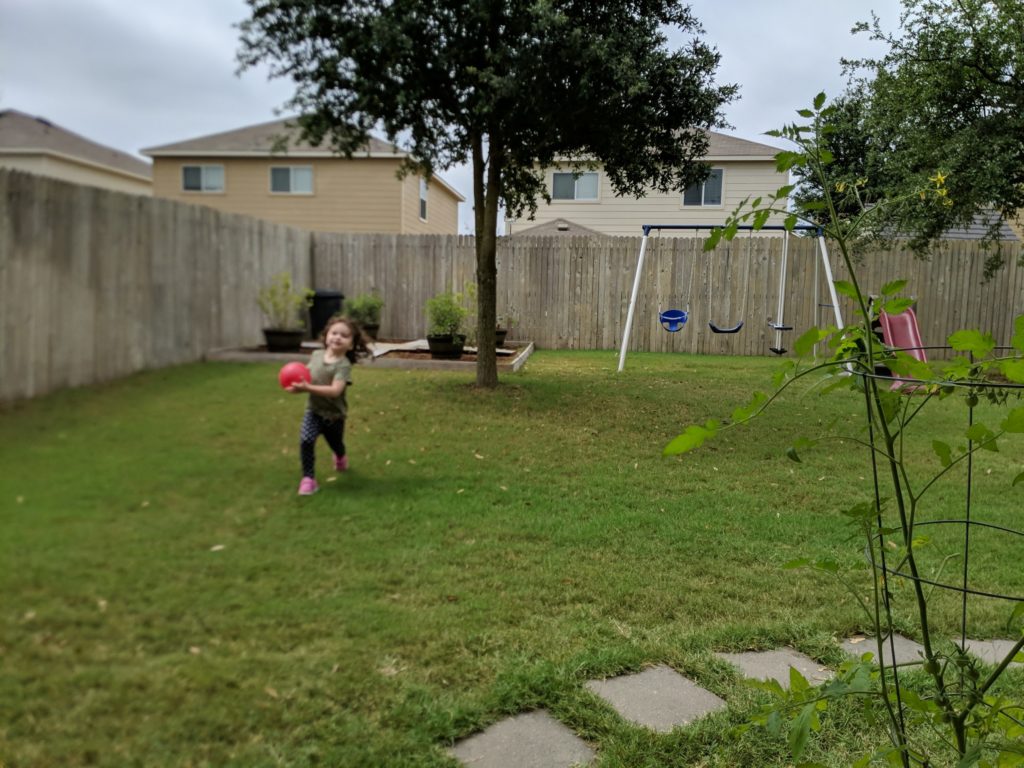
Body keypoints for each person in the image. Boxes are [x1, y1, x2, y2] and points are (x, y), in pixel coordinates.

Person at [287, 315, 369, 495]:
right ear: (326, 336)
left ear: (351, 345)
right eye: (334, 333)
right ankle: (308, 479)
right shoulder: (316, 355)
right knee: (306, 440)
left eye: (344, 335)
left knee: (336, 444)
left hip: (334, 416)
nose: (338, 337)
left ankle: (340, 456)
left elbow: (335, 391)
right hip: (314, 411)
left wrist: (307, 388)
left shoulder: (343, 366)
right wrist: (297, 388)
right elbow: (305, 378)